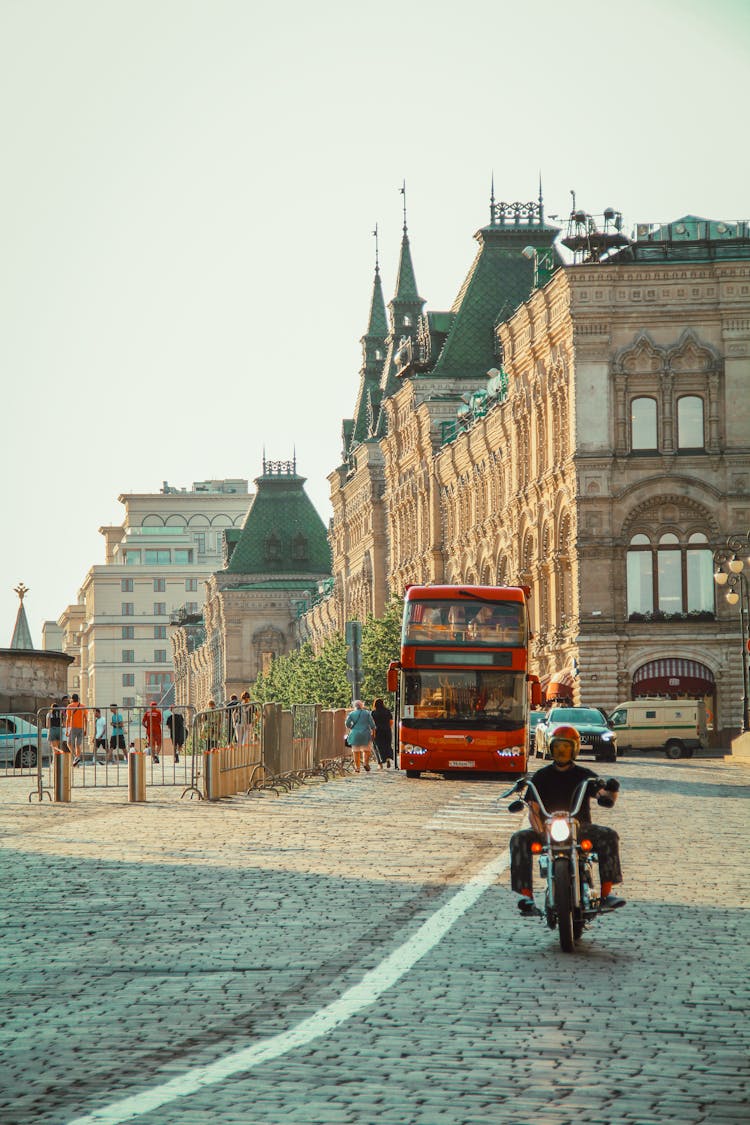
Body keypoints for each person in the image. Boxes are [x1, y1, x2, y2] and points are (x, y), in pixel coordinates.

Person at [509, 724, 626, 916]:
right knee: (518, 839)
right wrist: (540, 831)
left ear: (574, 749)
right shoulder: (541, 776)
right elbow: (533, 809)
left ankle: (606, 894)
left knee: (609, 835)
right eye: (558, 747)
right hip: (547, 829)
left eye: (566, 747)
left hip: (580, 829)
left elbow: (602, 794)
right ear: (551, 749)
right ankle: (526, 897)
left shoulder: (585, 776)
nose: (561, 751)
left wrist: (612, 790)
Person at [345, 700, 376, 773]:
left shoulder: (352, 714)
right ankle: (365, 763)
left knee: (356, 751)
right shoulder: (367, 713)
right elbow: (372, 725)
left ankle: (357, 768)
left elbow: (347, 723)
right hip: (365, 734)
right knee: (367, 750)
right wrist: (373, 733)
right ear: (362, 705)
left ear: (354, 706)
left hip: (355, 734)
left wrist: (351, 726)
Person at [65, 693, 88, 766]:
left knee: (69, 743)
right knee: (78, 744)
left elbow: (68, 719)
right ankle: (77, 758)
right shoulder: (83, 706)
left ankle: (75, 757)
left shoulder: (70, 706)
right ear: (78, 699)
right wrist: (85, 729)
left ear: (72, 699)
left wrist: (67, 730)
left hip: (73, 727)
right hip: (81, 727)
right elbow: (85, 719)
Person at [371, 698, 393, 769]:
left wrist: (373, 733)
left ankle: (380, 764)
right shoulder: (387, 711)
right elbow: (391, 722)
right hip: (387, 730)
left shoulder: (373, 712)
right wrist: (388, 727)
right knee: (387, 745)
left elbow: (372, 724)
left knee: (377, 747)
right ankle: (387, 759)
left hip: (378, 731)